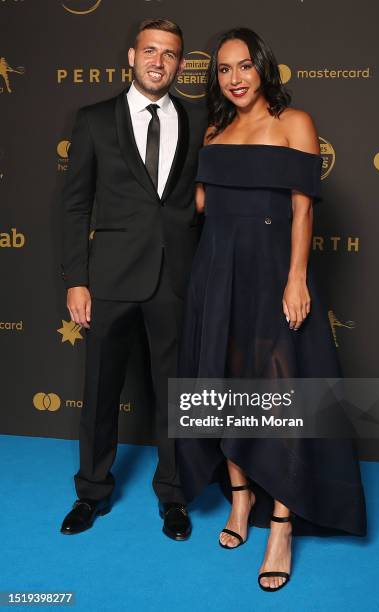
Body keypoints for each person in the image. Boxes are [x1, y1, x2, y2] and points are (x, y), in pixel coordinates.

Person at [176, 28, 367, 591]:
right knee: (226, 384)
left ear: (263, 69)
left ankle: (280, 524)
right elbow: (203, 205)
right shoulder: (215, 129)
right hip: (217, 271)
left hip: (272, 271)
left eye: (244, 67)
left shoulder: (295, 124)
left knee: (280, 393)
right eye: (223, 70)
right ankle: (241, 498)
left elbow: (303, 211)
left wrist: (297, 278)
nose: (234, 78)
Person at [60, 18, 206, 540]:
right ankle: (91, 493)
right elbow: (75, 203)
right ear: (131, 56)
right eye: (150, 51)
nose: (158, 61)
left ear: (180, 64)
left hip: (176, 276)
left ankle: (174, 496)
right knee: (100, 389)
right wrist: (77, 279)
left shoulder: (198, 117)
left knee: (175, 395)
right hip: (111, 277)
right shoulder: (95, 119)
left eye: (170, 54)